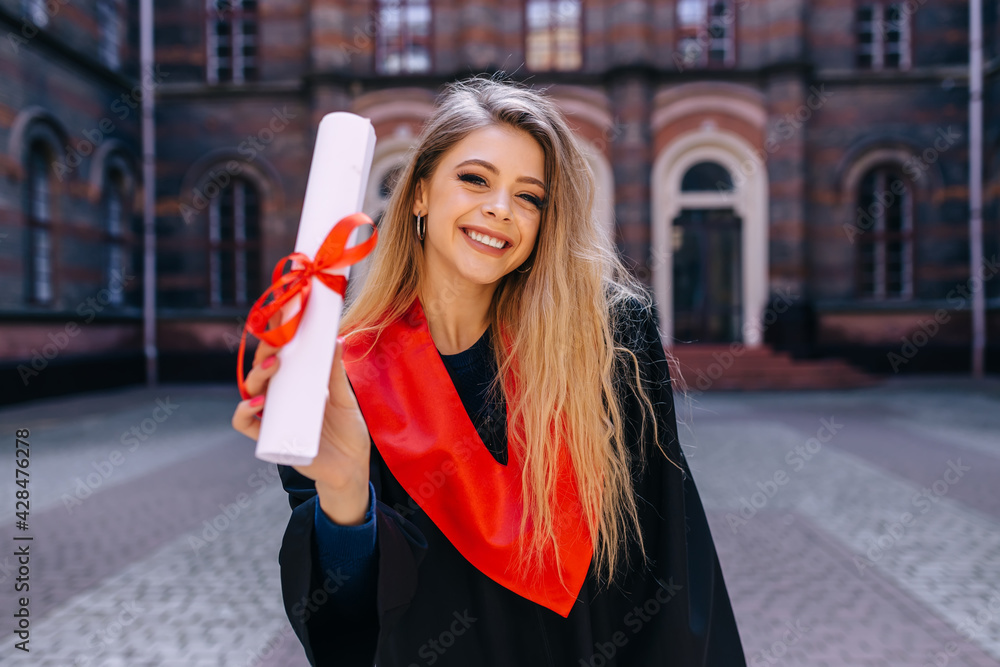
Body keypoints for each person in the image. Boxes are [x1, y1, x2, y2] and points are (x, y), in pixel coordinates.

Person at [232, 76, 746, 667]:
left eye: (530, 197)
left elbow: (671, 564)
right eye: (475, 179)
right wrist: (345, 492)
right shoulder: (341, 379)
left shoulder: (608, 341)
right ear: (419, 192)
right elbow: (346, 632)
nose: (500, 209)